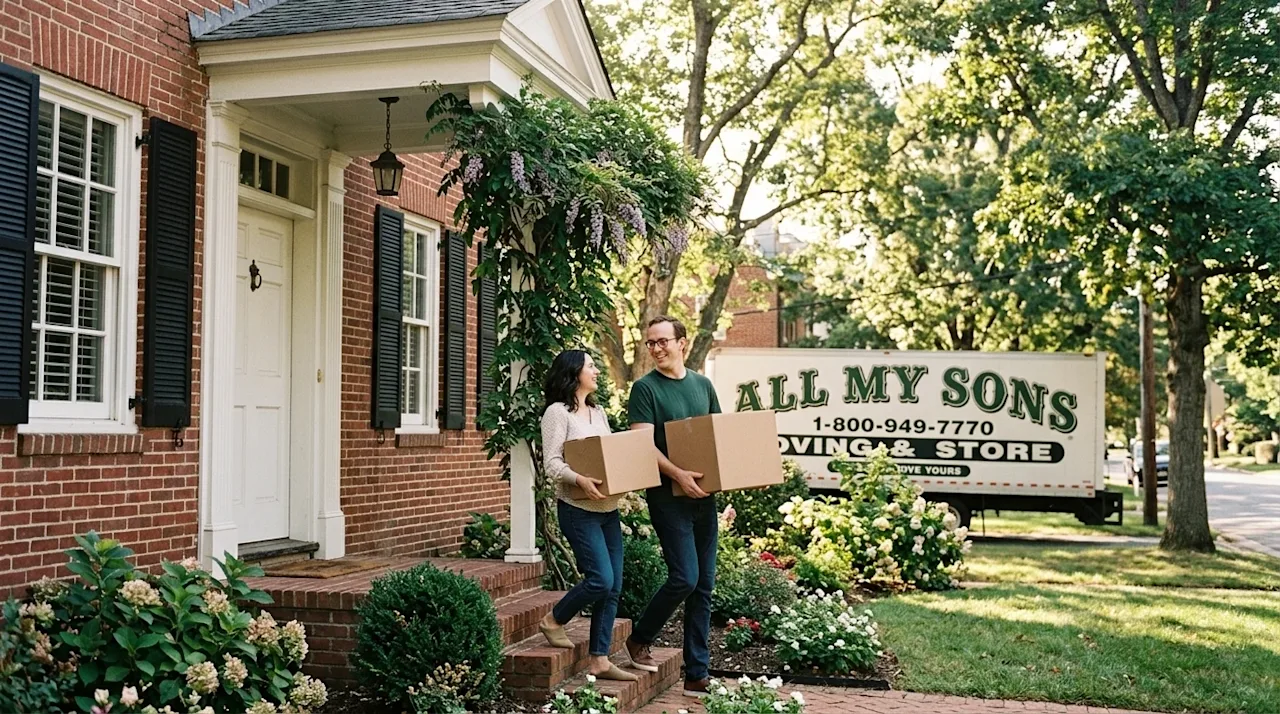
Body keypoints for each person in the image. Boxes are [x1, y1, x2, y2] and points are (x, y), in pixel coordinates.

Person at [623, 316, 721, 697]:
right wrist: (678, 474)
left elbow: (716, 438)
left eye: (663, 341)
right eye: (650, 343)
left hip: (704, 499)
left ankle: (697, 673)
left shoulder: (703, 385)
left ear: (682, 343)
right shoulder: (645, 390)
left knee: (705, 587)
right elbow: (641, 444)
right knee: (685, 577)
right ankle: (640, 638)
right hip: (668, 499)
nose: (656, 349)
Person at [538, 350, 639, 682]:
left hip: (608, 510)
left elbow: (608, 457)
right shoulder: (557, 414)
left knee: (613, 587)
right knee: (601, 579)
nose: (597, 370)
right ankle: (554, 619)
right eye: (591, 366)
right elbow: (552, 463)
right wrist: (579, 479)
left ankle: (599, 659)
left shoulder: (598, 412)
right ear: (574, 372)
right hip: (578, 510)